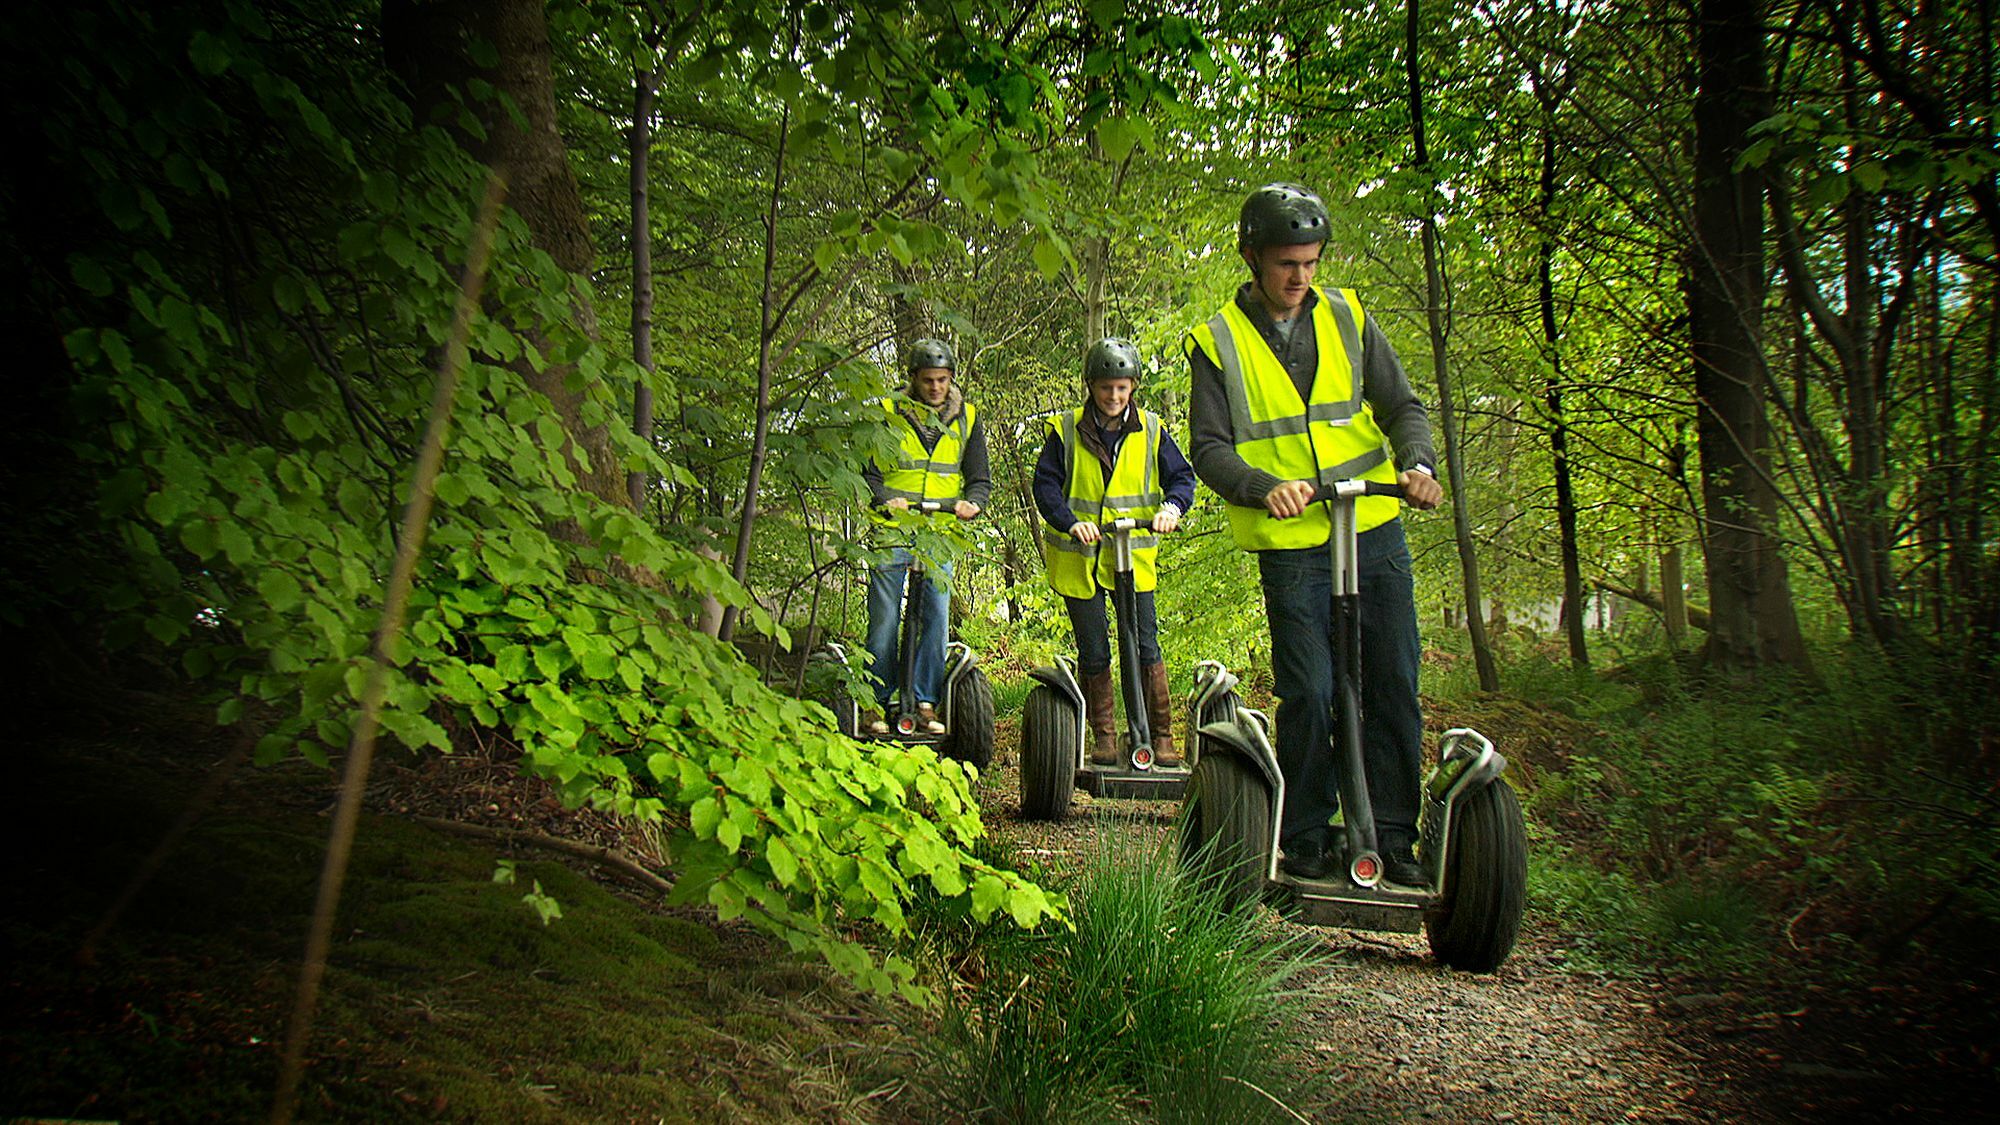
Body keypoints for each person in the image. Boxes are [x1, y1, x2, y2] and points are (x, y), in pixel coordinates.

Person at [1184, 182, 1445, 886]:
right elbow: (1208, 448)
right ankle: (1303, 836)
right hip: (1292, 538)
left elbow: (1401, 406)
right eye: (1285, 263)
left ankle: (1392, 836)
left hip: (1373, 526)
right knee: (1312, 688)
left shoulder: (1349, 316)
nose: (1300, 277)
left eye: (1310, 261)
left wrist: (1418, 463)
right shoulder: (1218, 342)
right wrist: (1263, 487)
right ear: (1251, 257)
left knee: (1393, 676)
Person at [1033, 337, 1198, 767]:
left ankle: (1160, 736)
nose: (1114, 396)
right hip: (1080, 558)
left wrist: (1171, 507)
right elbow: (1045, 487)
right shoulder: (1064, 430)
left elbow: (1182, 478)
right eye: (1106, 387)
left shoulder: (1153, 429)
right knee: (1094, 648)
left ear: (1133, 387)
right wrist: (1070, 521)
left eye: (1122, 387)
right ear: (1091, 385)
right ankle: (1104, 736)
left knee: (1145, 644)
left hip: (1134, 557)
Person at [860, 338, 990, 735]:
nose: (936, 387)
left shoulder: (967, 417)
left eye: (943, 380)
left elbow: (979, 479)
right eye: (929, 380)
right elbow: (867, 475)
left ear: (952, 379)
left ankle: (926, 701)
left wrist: (972, 503)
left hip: (939, 533)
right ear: (913, 378)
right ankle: (875, 703)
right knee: (884, 618)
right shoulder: (886, 414)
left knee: (936, 612)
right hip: (893, 529)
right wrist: (885, 499)